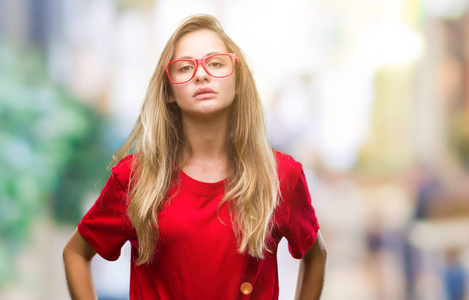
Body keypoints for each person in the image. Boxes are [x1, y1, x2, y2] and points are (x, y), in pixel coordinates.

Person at [63, 14, 327, 300]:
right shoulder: (135, 177)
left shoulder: (280, 175)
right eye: (185, 67)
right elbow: (76, 253)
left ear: (238, 81)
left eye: (215, 64)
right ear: (169, 92)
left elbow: (316, 255)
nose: (201, 74)